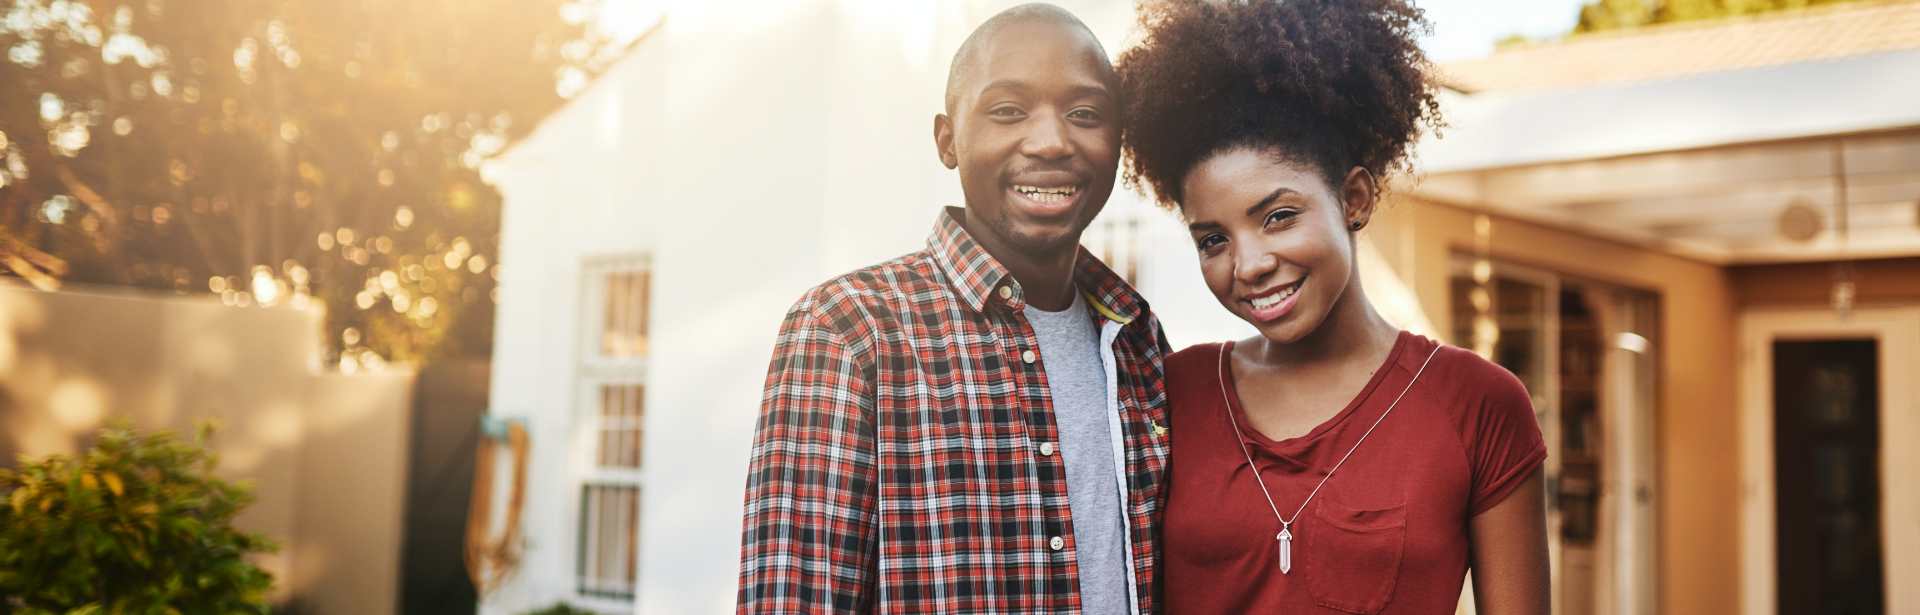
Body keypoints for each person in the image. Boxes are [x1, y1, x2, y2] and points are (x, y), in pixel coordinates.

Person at [1114, 1, 1551, 614]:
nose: (1249, 264)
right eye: (1213, 239)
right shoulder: (1173, 394)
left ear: (1354, 198)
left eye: (1278, 217)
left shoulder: (1477, 405)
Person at [735, 4, 1170, 614]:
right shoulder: (849, 331)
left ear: (1118, 144)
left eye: (1085, 114)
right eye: (1008, 111)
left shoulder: (1140, 341)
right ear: (948, 140)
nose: (1050, 140)